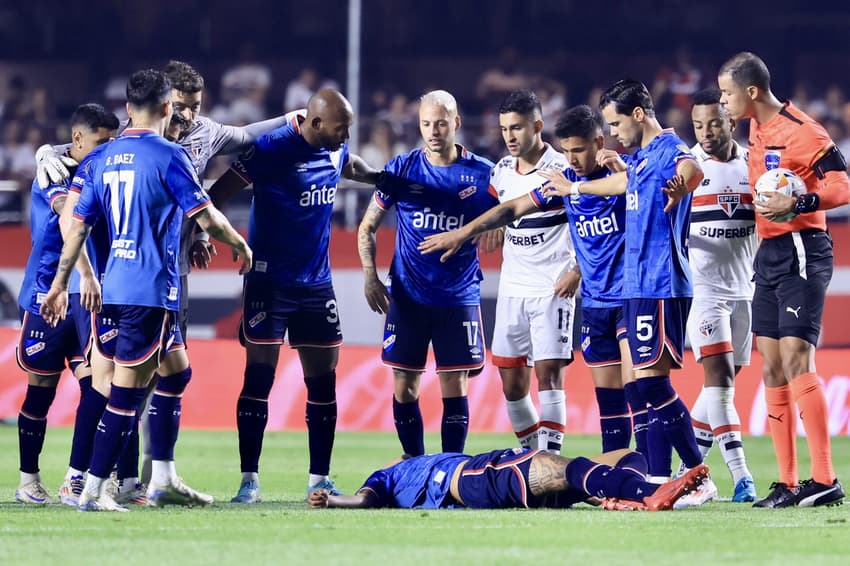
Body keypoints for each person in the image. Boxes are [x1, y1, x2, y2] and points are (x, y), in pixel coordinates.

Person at [40, 69, 252, 512]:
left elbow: (75, 223)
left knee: (176, 373)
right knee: (126, 393)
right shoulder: (169, 156)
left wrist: (65, 283)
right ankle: (94, 490)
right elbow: (207, 216)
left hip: (112, 286)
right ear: (168, 108)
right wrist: (241, 244)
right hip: (150, 290)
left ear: (126, 109)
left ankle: (163, 479)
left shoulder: (101, 159)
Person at [206, 88, 381, 503]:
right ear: (315, 123)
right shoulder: (271, 150)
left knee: (323, 384)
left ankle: (318, 479)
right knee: (259, 379)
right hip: (269, 281)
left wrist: (384, 178)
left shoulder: (336, 148)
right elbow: (218, 193)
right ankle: (249, 481)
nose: (346, 136)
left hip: (316, 285)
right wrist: (204, 234)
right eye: (341, 129)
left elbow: (348, 164)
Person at [537, 80, 706, 485]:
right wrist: (581, 185)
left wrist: (684, 185)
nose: (614, 133)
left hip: (661, 281)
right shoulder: (640, 160)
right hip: (638, 285)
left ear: (638, 114)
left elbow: (691, 167)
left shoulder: (667, 149)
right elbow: (624, 184)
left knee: (650, 386)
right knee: (643, 390)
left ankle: (695, 473)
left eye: (616, 123)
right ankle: (659, 478)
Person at [718, 52, 850, 508]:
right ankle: (789, 484)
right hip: (769, 252)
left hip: (802, 248)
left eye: (727, 93)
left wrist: (803, 200)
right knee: (772, 364)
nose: (723, 102)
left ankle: (826, 479)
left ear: (751, 92)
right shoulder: (754, 127)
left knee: (797, 359)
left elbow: (842, 184)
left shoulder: (803, 130)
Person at [357, 90, 497, 458]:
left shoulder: (483, 173)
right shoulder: (401, 169)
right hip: (408, 296)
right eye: (425, 124)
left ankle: (451, 467)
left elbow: (510, 213)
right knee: (405, 385)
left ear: (456, 123)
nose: (433, 131)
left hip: (458, 296)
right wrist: (370, 275)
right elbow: (367, 226)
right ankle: (414, 464)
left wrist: (494, 229)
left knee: (454, 383)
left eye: (440, 123)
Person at [13, 104, 117, 505]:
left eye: (111, 142)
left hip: (81, 298)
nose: (106, 149)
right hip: (46, 294)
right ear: (78, 139)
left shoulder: (99, 171)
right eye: (100, 142)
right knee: (40, 392)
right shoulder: (54, 171)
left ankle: (77, 477)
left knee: (98, 386)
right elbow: (67, 219)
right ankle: (28, 479)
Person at [675, 88, 758, 506]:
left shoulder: (755, 164)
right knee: (721, 383)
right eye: (697, 125)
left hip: (746, 291)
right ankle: (742, 476)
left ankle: (688, 472)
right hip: (704, 293)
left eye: (713, 123)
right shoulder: (687, 169)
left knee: (718, 387)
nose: (705, 133)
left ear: (731, 121)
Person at [483, 89, 576, 454]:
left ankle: (550, 462)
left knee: (549, 378)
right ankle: (529, 457)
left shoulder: (562, 169)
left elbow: (592, 225)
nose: (509, 136)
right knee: (512, 385)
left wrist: (579, 270)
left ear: (538, 125)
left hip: (553, 287)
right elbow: (498, 207)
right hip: (511, 290)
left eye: (517, 128)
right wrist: (494, 222)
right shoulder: (502, 170)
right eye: (505, 128)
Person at [307, 446, 710, 512]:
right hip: (468, 480)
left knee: (628, 455)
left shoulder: (414, 460)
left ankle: (621, 497)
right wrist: (333, 499)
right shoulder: (387, 475)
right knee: (556, 465)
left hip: (480, 467)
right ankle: (651, 494)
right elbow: (366, 500)